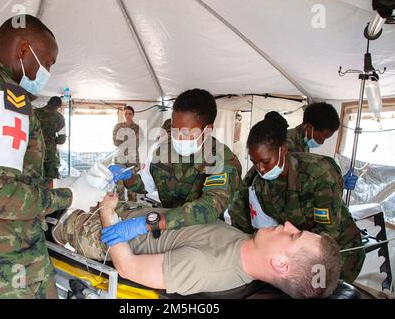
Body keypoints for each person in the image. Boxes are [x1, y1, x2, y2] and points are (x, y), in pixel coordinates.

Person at [0, 15, 105, 299]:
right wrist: (69, 198)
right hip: (6, 267)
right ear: (23, 50)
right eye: (48, 61)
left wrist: (60, 183)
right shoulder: (8, 99)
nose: (47, 72)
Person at [99, 193, 341, 299]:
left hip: (103, 232)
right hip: (131, 214)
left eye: (293, 235)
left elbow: (127, 266)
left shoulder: (207, 267)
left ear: (279, 264)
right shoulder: (247, 243)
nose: (287, 224)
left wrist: (106, 212)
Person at [227, 112, 365, 284]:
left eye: (265, 161)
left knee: (317, 289)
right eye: (255, 162)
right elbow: (241, 212)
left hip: (337, 250)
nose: (261, 169)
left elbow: (328, 232)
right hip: (293, 250)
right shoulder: (258, 181)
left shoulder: (319, 173)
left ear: (283, 149)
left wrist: (285, 252)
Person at [102, 89, 243, 247]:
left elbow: (208, 207)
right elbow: (146, 185)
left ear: (208, 129)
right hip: (166, 232)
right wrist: (128, 177)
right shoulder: (163, 150)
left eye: (186, 132)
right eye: (174, 130)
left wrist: (147, 224)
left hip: (204, 237)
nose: (177, 137)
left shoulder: (223, 160)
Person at [287, 102, 358, 190]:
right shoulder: (287, 144)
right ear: (309, 128)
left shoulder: (303, 141)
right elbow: (291, 183)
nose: (322, 142)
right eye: (322, 137)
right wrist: (336, 182)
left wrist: (340, 182)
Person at [112, 106, 144, 201]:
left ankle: (132, 207)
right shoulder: (118, 127)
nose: (127, 115)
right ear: (123, 114)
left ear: (133, 115)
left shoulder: (137, 128)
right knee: (119, 186)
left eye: (130, 113)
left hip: (133, 159)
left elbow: (137, 143)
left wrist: (125, 139)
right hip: (120, 159)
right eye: (125, 113)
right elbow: (115, 142)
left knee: (132, 186)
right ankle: (120, 207)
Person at [35, 96, 66, 185]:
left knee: (33, 177)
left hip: (33, 150)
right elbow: (61, 140)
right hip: (49, 152)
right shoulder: (60, 118)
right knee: (50, 179)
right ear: (59, 106)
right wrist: (51, 140)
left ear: (48, 102)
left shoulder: (34, 113)